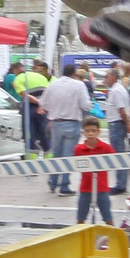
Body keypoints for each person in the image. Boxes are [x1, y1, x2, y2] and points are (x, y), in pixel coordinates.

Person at [38, 63, 92, 195]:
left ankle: (52, 181)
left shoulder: (53, 85)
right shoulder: (79, 85)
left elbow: (43, 103)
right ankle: (64, 186)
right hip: (72, 122)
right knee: (68, 156)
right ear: (74, 73)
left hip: (56, 123)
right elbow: (86, 105)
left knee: (56, 154)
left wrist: (54, 110)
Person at [73, 116, 115, 224]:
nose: (90, 134)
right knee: (80, 219)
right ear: (83, 132)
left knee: (108, 218)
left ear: (98, 132)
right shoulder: (78, 149)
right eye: (87, 131)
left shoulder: (106, 148)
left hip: (102, 188)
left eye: (93, 131)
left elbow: (113, 163)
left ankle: (113, 239)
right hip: (85, 188)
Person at [102, 67, 130, 193]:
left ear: (114, 77)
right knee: (119, 153)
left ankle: (120, 185)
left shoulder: (116, 91)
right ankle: (120, 183)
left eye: (107, 77)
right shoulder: (118, 89)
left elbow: (122, 110)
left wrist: (128, 124)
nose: (105, 79)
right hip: (117, 124)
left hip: (117, 124)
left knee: (118, 154)